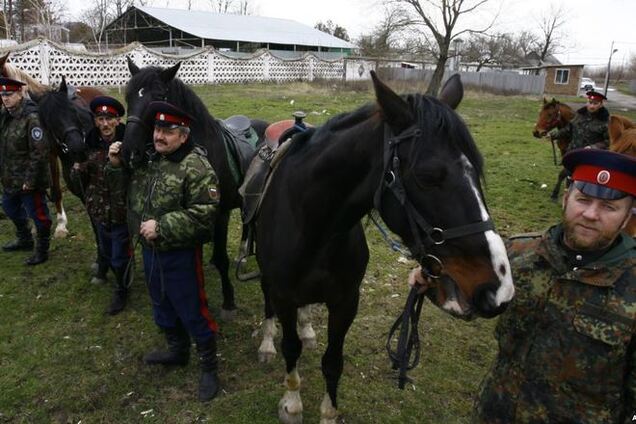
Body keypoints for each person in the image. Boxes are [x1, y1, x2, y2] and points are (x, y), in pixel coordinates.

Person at [409, 149, 635, 423]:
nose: (590, 214)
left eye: (609, 207)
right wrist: (433, 284)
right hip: (495, 411)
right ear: (566, 199)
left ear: (627, 217)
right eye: (583, 199)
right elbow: (475, 304)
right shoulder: (518, 252)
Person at [107, 101, 221, 402]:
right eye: (157, 129)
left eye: (168, 131)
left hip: (180, 253)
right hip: (150, 250)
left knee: (191, 307)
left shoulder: (197, 167)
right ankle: (177, 350)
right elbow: (124, 195)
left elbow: (205, 215)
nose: (160, 136)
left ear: (183, 136)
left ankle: (209, 365)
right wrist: (116, 167)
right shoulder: (149, 160)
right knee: (160, 301)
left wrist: (163, 226)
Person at [72, 96, 131, 315]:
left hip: (121, 213)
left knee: (119, 256)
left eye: (109, 119)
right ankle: (121, 274)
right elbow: (87, 172)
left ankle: (122, 290)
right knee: (106, 251)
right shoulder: (90, 142)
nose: (104, 124)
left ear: (117, 120)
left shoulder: (130, 144)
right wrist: (77, 169)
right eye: (100, 119)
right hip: (98, 211)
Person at [0, 77, 52, 265]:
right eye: (2, 94)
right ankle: (25, 239)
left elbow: (40, 152)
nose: (5, 98)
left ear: (20, 93)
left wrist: (29, 181)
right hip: (10, 177)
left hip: (29, 181)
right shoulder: (5, 115)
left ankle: (42, 250)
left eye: (9, 94)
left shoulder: (31, 117)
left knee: (39, 216)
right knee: (9, 207)